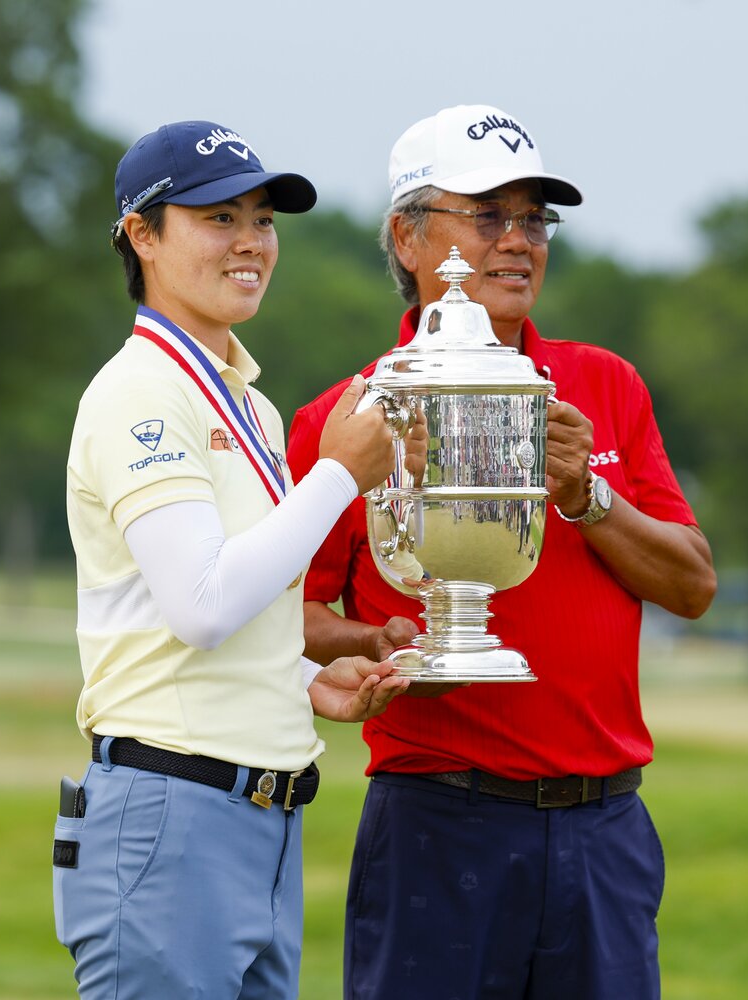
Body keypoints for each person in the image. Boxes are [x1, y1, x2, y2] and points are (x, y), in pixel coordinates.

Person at [285, 104, 718, 1000]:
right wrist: (374, 644)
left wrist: (589, 499)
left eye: (534, 218)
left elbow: (693, 583)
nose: (518, 241)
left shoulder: (604, 385)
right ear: (408, 239)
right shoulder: (346, 417)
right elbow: (291, 615)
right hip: (440, 819)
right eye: (487, 215)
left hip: (604, 827)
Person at [55, 119, 426, 1000]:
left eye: (262, 219)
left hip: (266, 819)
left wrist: (300, 678)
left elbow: (228, 609)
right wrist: (338, 474)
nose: (251, 242)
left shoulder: (247, 406)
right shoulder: (140, 392)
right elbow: (202, 605)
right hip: (169, 812)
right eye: (218, 218)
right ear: (141, 237)